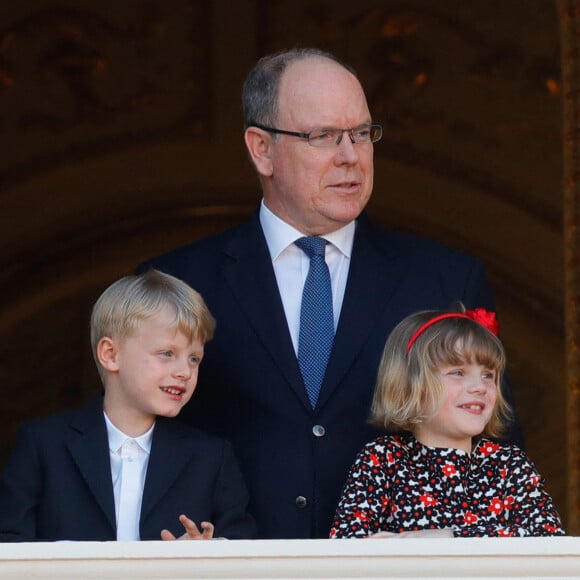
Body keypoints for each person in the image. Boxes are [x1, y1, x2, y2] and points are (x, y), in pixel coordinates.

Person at [137, 47, 522, 539]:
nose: (350, 155)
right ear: (262, 149)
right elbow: (135, 445)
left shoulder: (445, 280)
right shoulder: (178, 280)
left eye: (361, 133)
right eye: (322, 136)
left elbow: (499, 452)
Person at [0, 270, 255, 542]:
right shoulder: (43, 445)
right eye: (167, 353)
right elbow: (9, 544)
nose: (184, 371)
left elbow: (242, 548)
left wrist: (206, 555)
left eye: (194, 359)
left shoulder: (212, 458)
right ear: (111, 355)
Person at [330, 306, 564, 538]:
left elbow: (549, 539)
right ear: (411, 384)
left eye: (488, 375)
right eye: (458, 372)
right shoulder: (383, 458)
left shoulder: (507, 463)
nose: (479, 387)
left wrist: (444, 537)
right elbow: (344, 550)